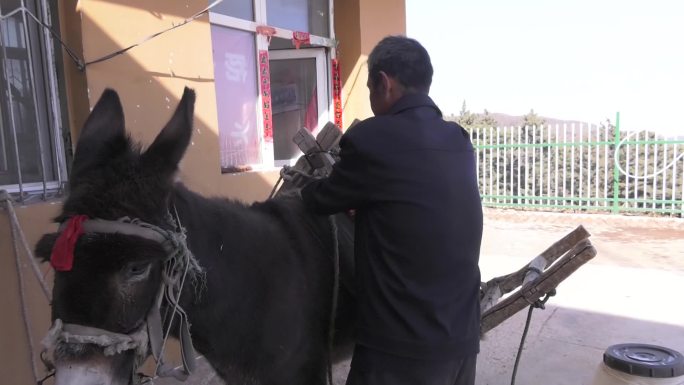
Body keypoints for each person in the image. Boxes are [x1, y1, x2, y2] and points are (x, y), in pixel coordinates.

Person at [301, 35, 483, 385]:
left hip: (401, 356)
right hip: (461, 345)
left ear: (383, 82)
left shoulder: (372, 138)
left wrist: (304, 189)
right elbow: (420, 203)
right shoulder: (458, 141)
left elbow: (321, 199)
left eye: (370, 89)